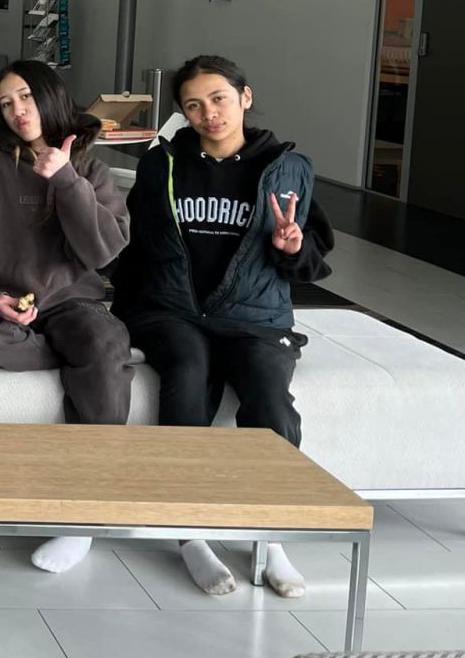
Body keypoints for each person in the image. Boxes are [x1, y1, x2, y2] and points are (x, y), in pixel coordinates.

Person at [114, 54, 334, 599]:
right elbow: (137, 244)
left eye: (219, 99)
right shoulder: (161, 165)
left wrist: (292, 248)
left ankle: (269, 535)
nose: (209, 113)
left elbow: (312, 259)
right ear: (183, 114)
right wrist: (117, 315)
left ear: (245, 97)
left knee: (268, 396)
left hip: (254, 316)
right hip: (172, 311)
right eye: (194, 105)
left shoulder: (288, 170)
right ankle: (191, 535)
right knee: (187, 374)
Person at [0, 60, 132, 575]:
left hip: (73, 301)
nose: (17, 110)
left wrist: (66, 178)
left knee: (99, 341)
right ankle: (86, 363)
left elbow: (104, 251)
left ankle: (83, 515)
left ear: (48, 97)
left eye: (25, 97)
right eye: (6, 103)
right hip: (8, 309)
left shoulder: (89, 167)